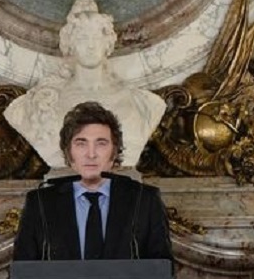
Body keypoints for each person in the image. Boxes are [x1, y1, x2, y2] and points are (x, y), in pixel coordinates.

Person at [4, 0, 166, 168]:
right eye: (82, 38)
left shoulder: (144, 102)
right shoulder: (39, 102)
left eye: (96, 37)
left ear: (108, 43)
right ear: (70, 44)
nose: (91, 45)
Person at [13, 101, 172, 261]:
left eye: (101, 144)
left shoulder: (145, 199)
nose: (91, 154)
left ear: (114, 151)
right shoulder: (40, 202)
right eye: (81, 144)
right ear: (69, 152)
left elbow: (163, 269)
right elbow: (22, 270)